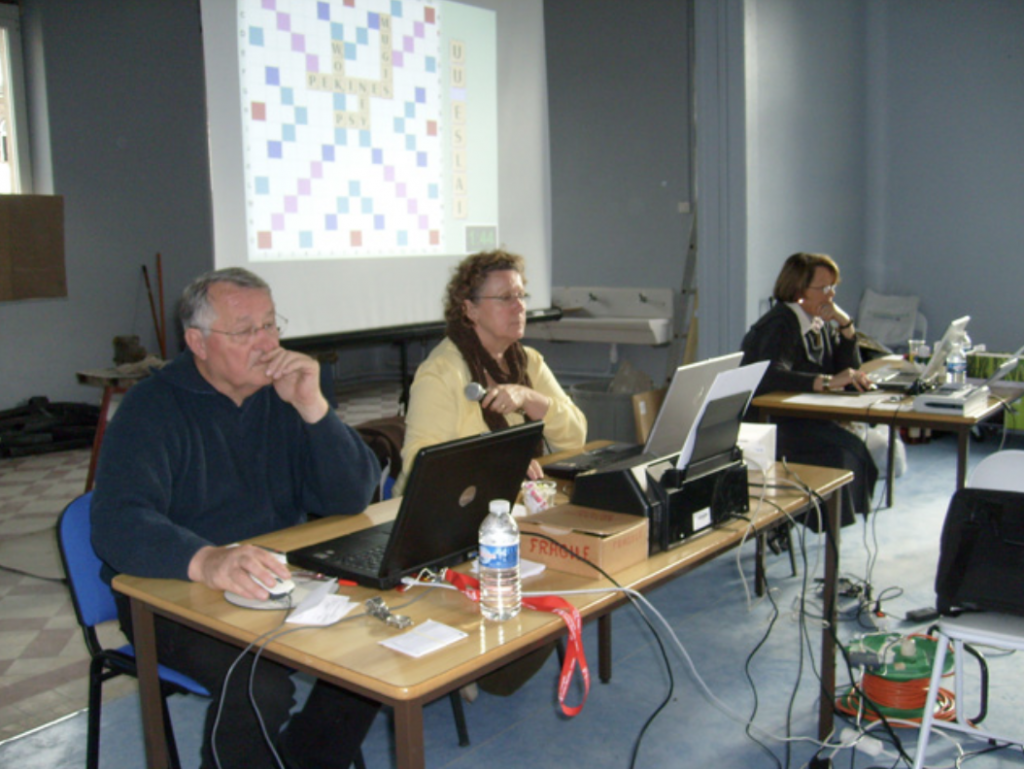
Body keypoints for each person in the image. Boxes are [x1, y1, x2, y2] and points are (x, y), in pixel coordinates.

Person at [91, 267, 382, 769]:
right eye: (246, 331)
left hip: (275, 580)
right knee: (258, 685)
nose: (267, 344)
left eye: (271, 325)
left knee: (372, 645)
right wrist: (207, 560)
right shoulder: (151, 407)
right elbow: (116, 519)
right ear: (197, 343)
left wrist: (314, 408)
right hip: (171, 595)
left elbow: (352, 496)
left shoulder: (282, 395)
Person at [397, 249, 587, 493]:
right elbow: (419, 464)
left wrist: (529, 398)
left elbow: (576, 438)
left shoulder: (528, 362)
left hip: (510, 498)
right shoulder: (440, 372)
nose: (519, 307)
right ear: (470, 310)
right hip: (442, 506)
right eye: (505, 297)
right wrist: (499, 465)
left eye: (521, 296)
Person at [740, 252, 878, 526]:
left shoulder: (816, 322)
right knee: (841, 451)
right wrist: (824, 382)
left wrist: (845, 326)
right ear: (799, 291)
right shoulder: (780, 324)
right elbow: (770, 375)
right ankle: (820, 524)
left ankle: (833, 523)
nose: (831, 295)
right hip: (769, 423)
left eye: (833, 287)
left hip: (799, 416)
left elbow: (846, 370)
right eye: (824, 288)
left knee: (853, 447)